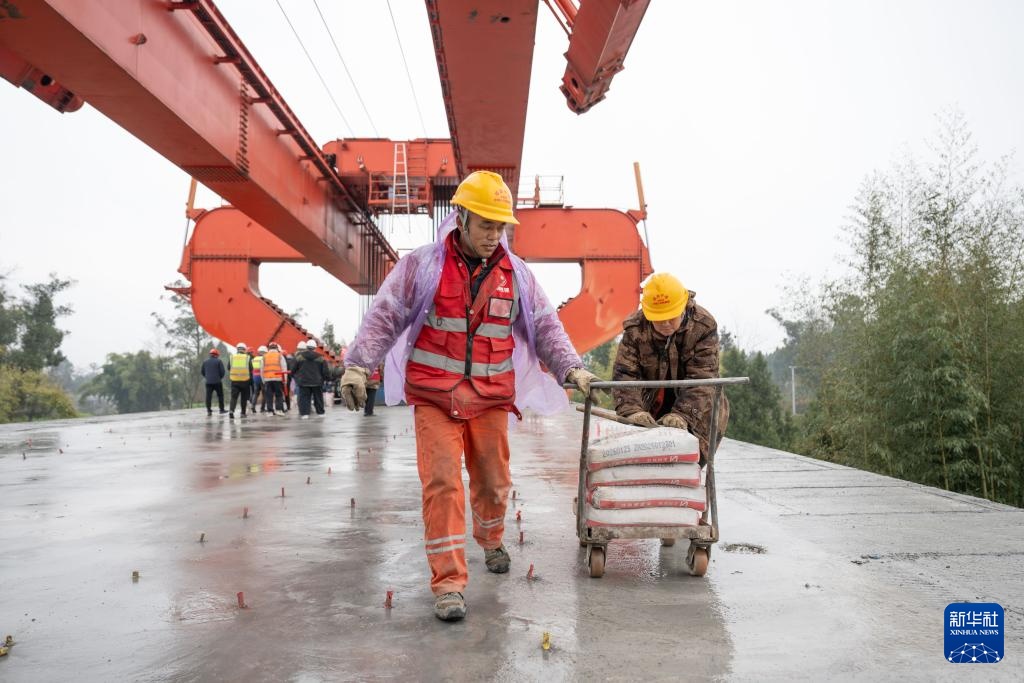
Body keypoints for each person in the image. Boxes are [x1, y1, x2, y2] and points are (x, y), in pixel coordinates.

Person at [339, 171, 597, 622]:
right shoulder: (422, 266)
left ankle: (491, 538)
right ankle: (449, 583)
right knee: (442, 484)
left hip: (491, 397)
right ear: (460, 217)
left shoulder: (516, 276)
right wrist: (359, 364)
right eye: (486, 225)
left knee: (494, 484)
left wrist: (570, 367)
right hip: (436, 398)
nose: (494, 235)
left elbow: (543, 325)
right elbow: (386, 315)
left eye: (501, 226)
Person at [612, 272, 729, 465]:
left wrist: (681, 415)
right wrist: (632, 411)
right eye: (659, 319)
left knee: (687, 460)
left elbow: (703, 379)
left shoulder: (703, 326)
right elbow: (625, 374)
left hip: (697, 406)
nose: (665, 324)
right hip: (651, 401)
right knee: (642, 459)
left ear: (683, 307)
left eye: (671, 317)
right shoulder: (635, 329)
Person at [293, 339, 328, 419]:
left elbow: (293, 369)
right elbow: (325, 371)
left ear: (307, 347)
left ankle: (305, 414)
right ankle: (320, 413)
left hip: (304, 382)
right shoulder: (321, 358)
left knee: (304, 398)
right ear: (315, 348)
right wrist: (326, 378)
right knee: (318, 398)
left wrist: (297, 378)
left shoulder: (299, 357)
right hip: (317, 382)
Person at [228, 342, 254, 419]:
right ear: (244, 349)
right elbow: (251, 369)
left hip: (234, 381)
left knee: (234, 397)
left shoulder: (232, 357)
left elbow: (229, 367)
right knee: (243, 398)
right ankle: (243, 413)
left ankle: (231, 411)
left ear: (237, 349)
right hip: (245, 381)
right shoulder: (247, 357)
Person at [261, 342, 285, 416]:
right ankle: (279, 410)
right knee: (279, 395)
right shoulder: (280, 356)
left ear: (269, 348)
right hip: (278, 379)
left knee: (269, 396)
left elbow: (261, 369)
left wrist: (263, 380)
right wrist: (285, 381)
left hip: (267, 379)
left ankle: (270, 411)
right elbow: (284, 368)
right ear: (277, 348)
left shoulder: (264, 356)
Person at [201, 348, 226, 416]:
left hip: (208, 382)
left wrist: (207, 377)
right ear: (216, 355)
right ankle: (221, 410)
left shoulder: (205, 362)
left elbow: (202, 372)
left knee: (208, 397)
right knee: (220, 396)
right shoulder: (219, 361)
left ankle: (209, 411)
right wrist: (219, 378)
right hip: (217, 382)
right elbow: (222, 372)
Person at [251, 345, 267, 413]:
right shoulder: (264, 359)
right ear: (264, 352)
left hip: (255, 378)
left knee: (255, 393)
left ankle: (253, 406)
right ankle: (262, 408)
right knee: (264, 394)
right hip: (262, 378)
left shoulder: (254, 359)